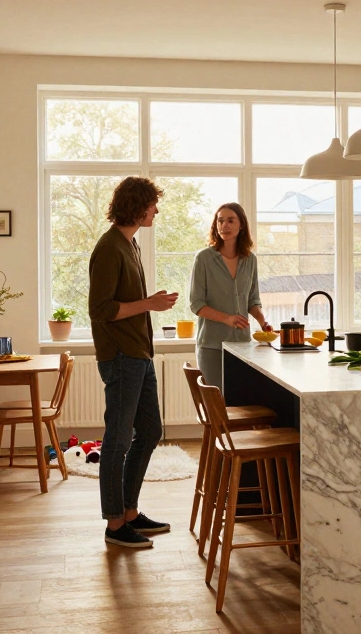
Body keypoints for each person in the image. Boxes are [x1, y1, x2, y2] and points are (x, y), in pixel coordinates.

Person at [89, 176, 179, 549]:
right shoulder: (109, 248)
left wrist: (149, 302)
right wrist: (149, 304)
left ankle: (129, 511)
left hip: (139, 354)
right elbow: (100, 309)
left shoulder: (130, 244)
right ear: (138, 205)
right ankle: (115, 524)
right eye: (152, 204)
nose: (156, 210)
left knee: (151, 432)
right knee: (118, 440)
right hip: (121, 357)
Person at [188, 203, 271, 387]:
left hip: (242, 345)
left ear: (241, 225)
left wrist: (262, 322)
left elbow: (252, 300)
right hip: (211, 345)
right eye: (220, 221)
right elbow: (197, 304)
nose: (224, 225)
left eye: (230, 221)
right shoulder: (204, 259)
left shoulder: (250, 260)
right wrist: (227, 318)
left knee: (239, 402)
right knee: (218, 404)